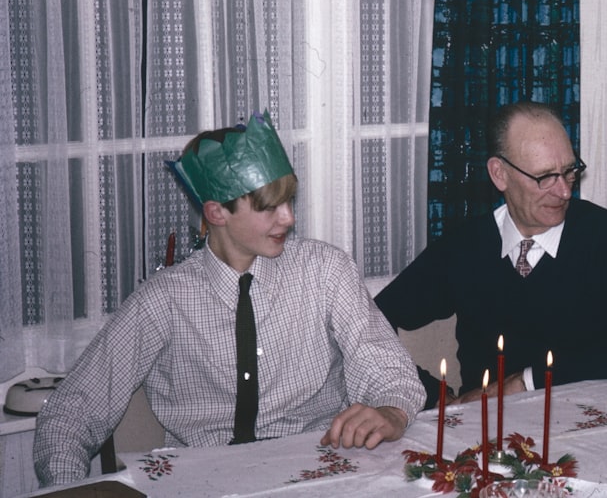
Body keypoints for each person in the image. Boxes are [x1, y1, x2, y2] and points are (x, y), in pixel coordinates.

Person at [33, 111, 425, 487]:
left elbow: (388, 370)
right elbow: (70, 414)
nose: (288, 218)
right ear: (217, 212)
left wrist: (391, 410)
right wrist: (66, 488)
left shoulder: (326, 270)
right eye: (269, 206)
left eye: (290, 201)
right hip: (204, 482)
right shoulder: (164, 300)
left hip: (317, 474)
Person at [375, 101, 607, 407]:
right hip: (488, 429)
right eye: (545, 177)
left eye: (569, 171)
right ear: (500, 175)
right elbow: (371, 320)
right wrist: (433, 396)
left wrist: (526, 382)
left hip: (590, 420)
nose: (564, 191)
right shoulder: (466, 246)